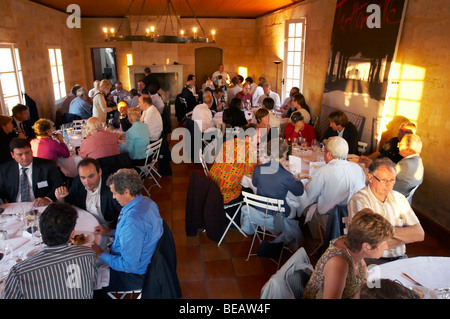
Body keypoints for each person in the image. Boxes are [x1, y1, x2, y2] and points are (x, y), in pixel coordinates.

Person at [1, 202, 98, 299]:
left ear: (40, 231)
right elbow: (93, 284)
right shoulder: (88, 255)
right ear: (72, 233)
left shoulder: (18, 273)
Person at [90, 168, 163, 295]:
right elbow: (138, 234)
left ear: (127, 192)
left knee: (90, 284)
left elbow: (129, 266)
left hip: (133, 275)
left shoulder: (132, 223)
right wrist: (109, 233)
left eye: (115, 193)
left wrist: (100, 254)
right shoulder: (148, 202)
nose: (113, 197)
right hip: (145, 261)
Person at [303, 208, 394, 299]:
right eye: (383, 243)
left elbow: (362, 277)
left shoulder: (355, 247)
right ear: (366, 246)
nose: (386, 247)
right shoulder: (338, 264)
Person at [348, 158, 425, 263]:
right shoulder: (360, 200)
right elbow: (369, 243)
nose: (389, 184)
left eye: (392, 180)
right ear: (370, 178)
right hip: (372, 260)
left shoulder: (399, 199)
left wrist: (388, 232)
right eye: (384, 180)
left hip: (400, 258)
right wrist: (404, 238)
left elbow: (419, 234)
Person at [304, 136, 366, 238]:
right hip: (354, 218)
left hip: (331, 218)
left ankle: (319, 240)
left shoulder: (324, 170)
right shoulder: (357, 168)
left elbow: (309, 194)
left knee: (304, 207)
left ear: (328, 154)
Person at [55, 157, 121, 227]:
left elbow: (125, 215)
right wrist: (61, 198)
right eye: (83, 177)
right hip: (84, 222)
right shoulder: (78, 182)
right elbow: (69, 201)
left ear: (100, 172)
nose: (87, 182)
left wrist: (109, 231)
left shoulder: (112, 188)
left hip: (107, 225)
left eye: (91, 176)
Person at [0, 138, 62, 206]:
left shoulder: (47, 166)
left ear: (31, 151)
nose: (25, 157)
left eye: (27, 152)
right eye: (20, 155)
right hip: (15, 207)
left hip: (40, 206)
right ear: (13, 155)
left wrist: (47, 198)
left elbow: (58, 185)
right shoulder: (5, 169)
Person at [209, 136, 257, 205]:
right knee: (250, 191)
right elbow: (249, 174)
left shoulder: (229, 141)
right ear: (247, 137)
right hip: (224, 195)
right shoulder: (249, 148)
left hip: (210, 188)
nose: (259, 141)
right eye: (257, 138)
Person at [393, 134, 424, 198]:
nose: (398, 146)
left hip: (394, 196)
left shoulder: (406, 164)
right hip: (405, 197)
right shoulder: (418, 161)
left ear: (408, 148)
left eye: (400, 144)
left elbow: (386, 174)